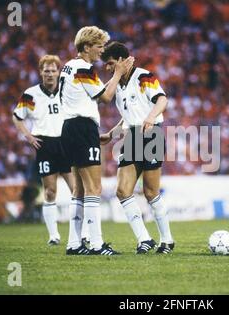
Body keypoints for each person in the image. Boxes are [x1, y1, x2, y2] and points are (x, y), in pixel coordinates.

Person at [59, 26, 134, 255]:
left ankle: (74, 243)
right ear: (87, 47)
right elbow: (106, 97)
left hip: (70, 127)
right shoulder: (83, 68)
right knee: (94, 188)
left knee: (79, 191)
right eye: (99, 46)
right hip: (82, 128)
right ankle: (97, 244)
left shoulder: (68, 66)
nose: (102, 51)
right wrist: (118, 73)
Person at [100, 41, 174, 254]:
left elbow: (162, 99)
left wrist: (151, 117)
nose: (107, 68)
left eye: (111, 63)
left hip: (151, 135)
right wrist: (111, 134)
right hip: (131, 137)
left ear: (122, 60)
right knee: (123, 191)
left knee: (151, 193)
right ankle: (144, 239)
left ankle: (167, 240)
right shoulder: (118, 84)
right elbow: (126, 118)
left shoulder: (143, 76)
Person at [13, 55, 73, 246]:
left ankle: (79, 233)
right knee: (50, 191)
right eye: (46, 70)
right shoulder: (31, 94)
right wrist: (28, 136)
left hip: (65, 143)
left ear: (58, 71)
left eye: (53, 70)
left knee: (76, 191)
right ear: (41, 72)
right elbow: (17, 116)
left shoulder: (67, 90)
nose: (49, 74)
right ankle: (54, 235)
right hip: (45, 145)